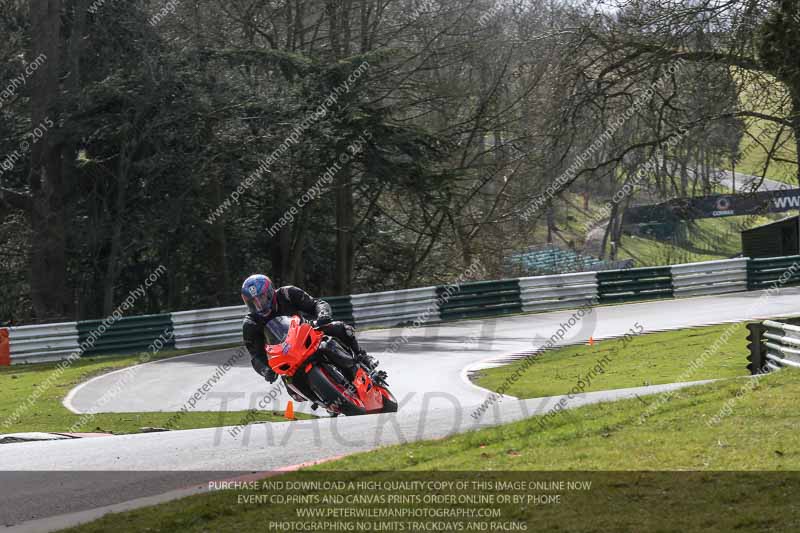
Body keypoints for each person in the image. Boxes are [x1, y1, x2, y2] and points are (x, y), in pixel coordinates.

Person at [240, 274, 378, 384]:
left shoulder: (287, 293)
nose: (259, 305)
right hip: (286, 354)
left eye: (262, 298)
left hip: (307, 333)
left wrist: (323, 314)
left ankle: (363, 357)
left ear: (270, 292)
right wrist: (265, 370)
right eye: (253, 302)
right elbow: (256, 356)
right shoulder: (250, 323)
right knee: (291, 386)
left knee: (341, 328)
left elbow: (316, 304)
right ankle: (321, 398)